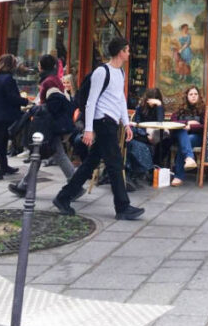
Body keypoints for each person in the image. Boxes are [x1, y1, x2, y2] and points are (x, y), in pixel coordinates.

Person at [52, 37, 144, 220]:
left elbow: (120, 100)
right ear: (120, 52)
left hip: (110, 123)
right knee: (115, 163)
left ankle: (63, 197)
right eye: (127, 50)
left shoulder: (121, 73)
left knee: (90, 163)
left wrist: (126, 123)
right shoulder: (102, 72)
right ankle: (122, 207)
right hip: (102, 122)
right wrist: (88, 129)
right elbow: (91, 100)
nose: (129, 53)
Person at [9, 54, 75, 196]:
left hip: (47, 123)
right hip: (52, 122)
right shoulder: (54, 79)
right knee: (41, 155)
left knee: (48, 154)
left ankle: (75, 184)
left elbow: (52, 104)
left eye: (39, 64)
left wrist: (36, 108)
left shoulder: (48, 82)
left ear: (42, 66)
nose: (37, 67)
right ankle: (24, 185)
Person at [0, 54, 28, 180]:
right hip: (2, 115)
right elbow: (12, 98)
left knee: (2, 140)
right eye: (14, 64)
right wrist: (25, 101)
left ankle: (4, 166)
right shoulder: (8, 79)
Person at [169, 86, 205, 186]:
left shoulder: (203, 110)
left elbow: (205, 126)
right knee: (182, 131)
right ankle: (189, 158)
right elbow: (173, 122)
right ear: (186, 96)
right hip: (179, 135)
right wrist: (187, 122)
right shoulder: (179, 110)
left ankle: (178, 176)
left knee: (186, 140)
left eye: (195, 94)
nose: (193, 96)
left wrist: (191, 127)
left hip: (196, 137)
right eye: (191, 94)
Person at [132, 87, 169, 168]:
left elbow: (160, 122)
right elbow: (137, 123)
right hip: (142, 133)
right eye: (151, 98)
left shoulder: (159, 107)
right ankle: (151, 166)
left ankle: (157, 164)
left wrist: (159, 105)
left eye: (155, 99)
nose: (152, 101)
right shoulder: (140, 107)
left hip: (156, 134)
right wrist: (146, 133)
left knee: (166, 140)